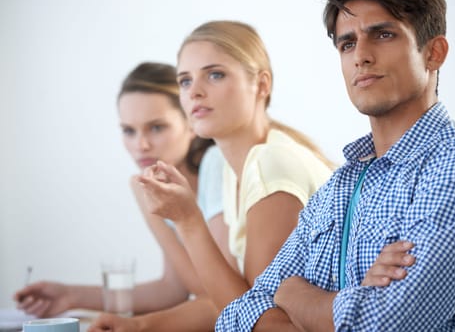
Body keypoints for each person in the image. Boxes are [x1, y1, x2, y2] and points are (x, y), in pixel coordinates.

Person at [216, 0, 455, 330]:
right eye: (347, 44)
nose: (360, 55)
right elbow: (235, 316)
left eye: (383, 35)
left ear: (434, 52)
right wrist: (348, 304)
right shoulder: (337, 188)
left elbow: (387, 323)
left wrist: (293, 294)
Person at [85, 20, 335, 332]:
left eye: (215, 75)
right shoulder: (236, 171)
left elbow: (265, 323)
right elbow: (229, 302)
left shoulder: (271, 162)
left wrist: (188, 221)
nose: (195, 92)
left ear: (261, 84)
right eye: (185, 81)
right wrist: (138, 327)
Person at [13, 62, 230, 318]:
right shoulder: (148, 186)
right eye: (128, 130)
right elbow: (172, 289)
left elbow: (213, 293)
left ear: (191, 122)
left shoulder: (218, 164)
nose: (141, 145)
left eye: (157, 127)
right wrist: (70, 295)